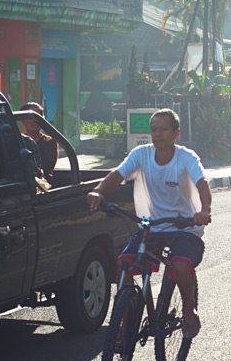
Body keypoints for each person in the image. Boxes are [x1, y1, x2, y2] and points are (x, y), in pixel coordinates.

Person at [87, 108, 212, 338]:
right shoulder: (141, 154)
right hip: (152, 226)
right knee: (124, 266)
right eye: (154, 129)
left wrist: (204, 210)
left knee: (180, 265)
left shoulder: (186, 157)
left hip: (185, 227)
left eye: (163, 129)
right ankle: (125, 323)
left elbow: (202, 183)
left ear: (176, 133)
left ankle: (188, 307)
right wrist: (99, 191)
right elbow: (118, 174)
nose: (157, 134)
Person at [20, 102, 59, 180]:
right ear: (23, 121)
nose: (33, 121)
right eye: (29, 118)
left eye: (37, 117)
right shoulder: (18, 140)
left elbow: (46, 168)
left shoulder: (49, 142)